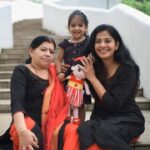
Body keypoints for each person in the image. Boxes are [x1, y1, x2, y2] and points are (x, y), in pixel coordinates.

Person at [76, 24, 145, 150]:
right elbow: (72, 73)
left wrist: (92, 78)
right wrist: (60, 71)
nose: (102, 45)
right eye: (98, 41)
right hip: (101, 119)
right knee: (83, 131)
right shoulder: (93, 67)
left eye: (107, 41)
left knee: (104, 131)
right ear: (93, 46)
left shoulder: (128, 69)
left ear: (116, 45)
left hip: (128, 119)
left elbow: (112, 105)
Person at [0, 35, 69, 150]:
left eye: (51, 52)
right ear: (31, 51)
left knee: (72, 133)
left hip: (52, 124)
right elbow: (17, 104)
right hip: (26, 123)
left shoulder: (56, 74)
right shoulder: (22, 71)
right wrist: (22, 131)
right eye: (43, 49)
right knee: (35, 139)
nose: (48, 54)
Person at [56, 10, 90, 124]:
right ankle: (67, 127)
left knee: (80, 104)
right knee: (68, 103)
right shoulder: (65, 44)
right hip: (68, 79)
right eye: (73, 25)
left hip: (81, 80)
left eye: (80, 25)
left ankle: (79, 127)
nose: (76, 28)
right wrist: (59, 72)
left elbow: (94, 58)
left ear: (86, 27)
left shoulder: (89, 43)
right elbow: (58, 60)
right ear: (68, 27)